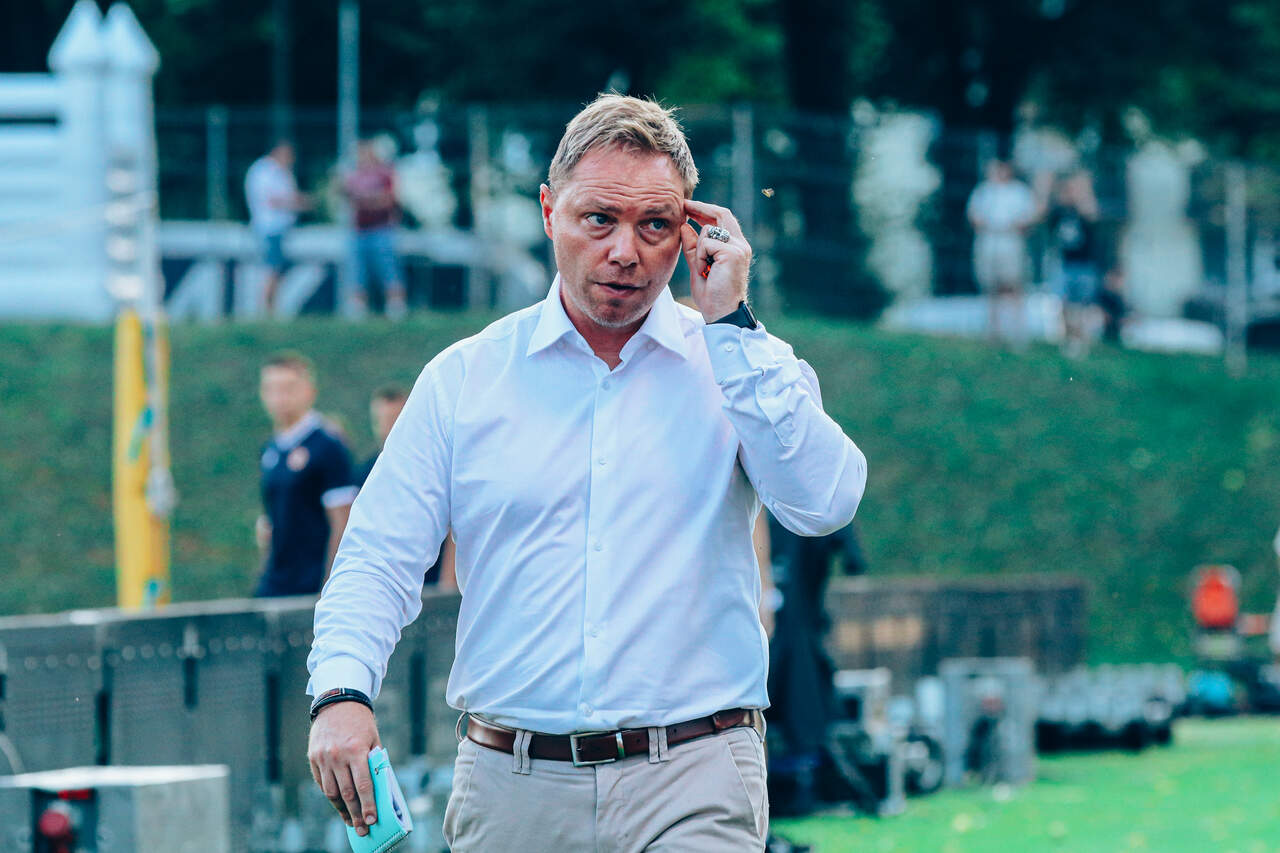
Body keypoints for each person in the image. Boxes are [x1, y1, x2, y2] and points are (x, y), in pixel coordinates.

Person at [306, 94, 867, 851]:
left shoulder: (737, 362)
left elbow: (825, 502)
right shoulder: (466, 378)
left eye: (654, 225)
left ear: (691, 230)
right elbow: (377, 556)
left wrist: (733, 325)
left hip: (695, 773)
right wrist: (341, 691)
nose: (625, 251)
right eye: (598, 219)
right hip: (512, 783)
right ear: (549, 212)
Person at [254, 352, 357, 597]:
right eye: (271, 389)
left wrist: (331, 588)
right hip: (276, 582)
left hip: (311, 584)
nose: (279, 398)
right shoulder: (270, 449)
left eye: (288, 388)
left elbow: (342, 522)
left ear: (310, 391)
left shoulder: (328, 445)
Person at [355, 384, 456, 589]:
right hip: (386, 580)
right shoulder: (366, 470)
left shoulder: (433, 465)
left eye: (394, 419)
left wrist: (447, 581)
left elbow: (453, 525)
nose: (388, 427)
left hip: (428, 579)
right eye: (382, 421)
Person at [967, 159, 1039, 346]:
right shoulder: (983, 191)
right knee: (991, 287)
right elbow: (974, 216)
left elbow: (1029, 218)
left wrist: (1012, 226)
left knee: (1014, 286)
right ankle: (993, 331)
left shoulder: (1019, 191)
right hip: (989, 242)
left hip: (1011, 242)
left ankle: (1018, 332)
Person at [341, 140, 408, 320]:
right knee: (357, 271)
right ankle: (357, 307)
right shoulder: (353, 176)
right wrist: (370, 200)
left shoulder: (385, 174)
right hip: (359, 230)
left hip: (381, 229)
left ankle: (395, 305)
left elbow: (389, 200)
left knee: (388, 269)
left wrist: (365, 201)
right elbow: (348, 197)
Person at [245, 141, 310, 313]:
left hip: (277, 228)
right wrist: (300, 203)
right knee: (271, 270)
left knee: (274, 269)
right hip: (270, 228)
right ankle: (267, 310)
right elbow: (273, 199)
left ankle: (270, 308)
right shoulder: (265, 171)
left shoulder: (278, 171)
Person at [1048, 169, 1101, 358]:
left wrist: (1083, 191)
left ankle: (1081, 339)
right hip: (1065, 263)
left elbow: (1092, 213)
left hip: (1085, 264)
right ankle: (1068, 338)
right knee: (1064, 304)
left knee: (1083, 306)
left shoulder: (1084, 210)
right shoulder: (1059, 211)